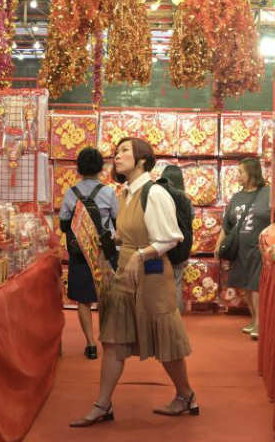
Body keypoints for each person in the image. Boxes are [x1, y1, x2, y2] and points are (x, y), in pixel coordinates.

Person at [69, 138, 198, 427]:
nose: (117, 156)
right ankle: (102, 404)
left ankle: (186, 394)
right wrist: (115, 240)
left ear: (142, 159)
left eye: (125, 150)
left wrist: (139, 254)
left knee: (165, 341)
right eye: (116, 151)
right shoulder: (125, 192)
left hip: (151, 273)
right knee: (113, 340)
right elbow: (130, 231)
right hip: (125, 272)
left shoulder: (154, 193)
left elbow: (169, 237)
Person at [59, 148, 119, 360]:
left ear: (79, 167)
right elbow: (117, 222)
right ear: (101, 168)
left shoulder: (71, 192)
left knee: (83, 300)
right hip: (104, 250)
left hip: (80, 253)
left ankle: (90, 343)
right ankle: (106, 338)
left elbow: (64, 224)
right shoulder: (108, 192)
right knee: (105, 296)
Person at [215, 158, 271, 341]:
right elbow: (227, 224)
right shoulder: (237, 197)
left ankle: (261, 324)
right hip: (239, 249)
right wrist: (218, 243)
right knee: (246, 285)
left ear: (252, 172)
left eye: (241, 172)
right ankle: (254, 319)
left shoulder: (268, 193)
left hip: (258, 249)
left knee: (256, 286)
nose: (237, 175)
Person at [159, 164, 193, 312]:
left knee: (158, 282)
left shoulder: (158, 195)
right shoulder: (185, 199)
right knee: (176, 283)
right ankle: (176, 316)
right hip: (179, 247)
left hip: (160, 244)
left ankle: (161, 315)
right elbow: (190, 220)